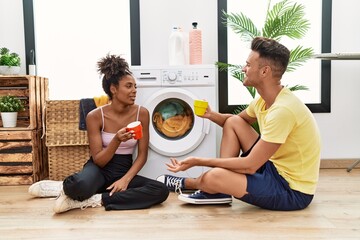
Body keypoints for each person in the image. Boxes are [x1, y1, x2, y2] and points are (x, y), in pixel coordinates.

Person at [157, 37, 321, 210]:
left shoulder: (283, 110)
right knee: (234, 122)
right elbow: (234, 123)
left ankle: (192, 183)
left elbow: (250, 165)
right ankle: (219, 190)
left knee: (212, 177)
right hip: (273, 168)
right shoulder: (264, 101)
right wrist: (211, 115)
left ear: (264, 72)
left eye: (248, 65)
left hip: (291, 191)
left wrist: (198, 161)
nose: (244, 68)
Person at [29, 54, 169, 213]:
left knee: (160, 190)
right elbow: (99, 161)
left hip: (123, 170)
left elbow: (142, 155)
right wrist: (116, 140)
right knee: (79, 185)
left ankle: (97, 199)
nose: (134, 91)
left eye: (135, 86)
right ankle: (62, 187)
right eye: (129, 86)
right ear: (114, 89)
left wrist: (125, 180)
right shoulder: (95, 116)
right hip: (99, 169)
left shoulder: (142, 114)